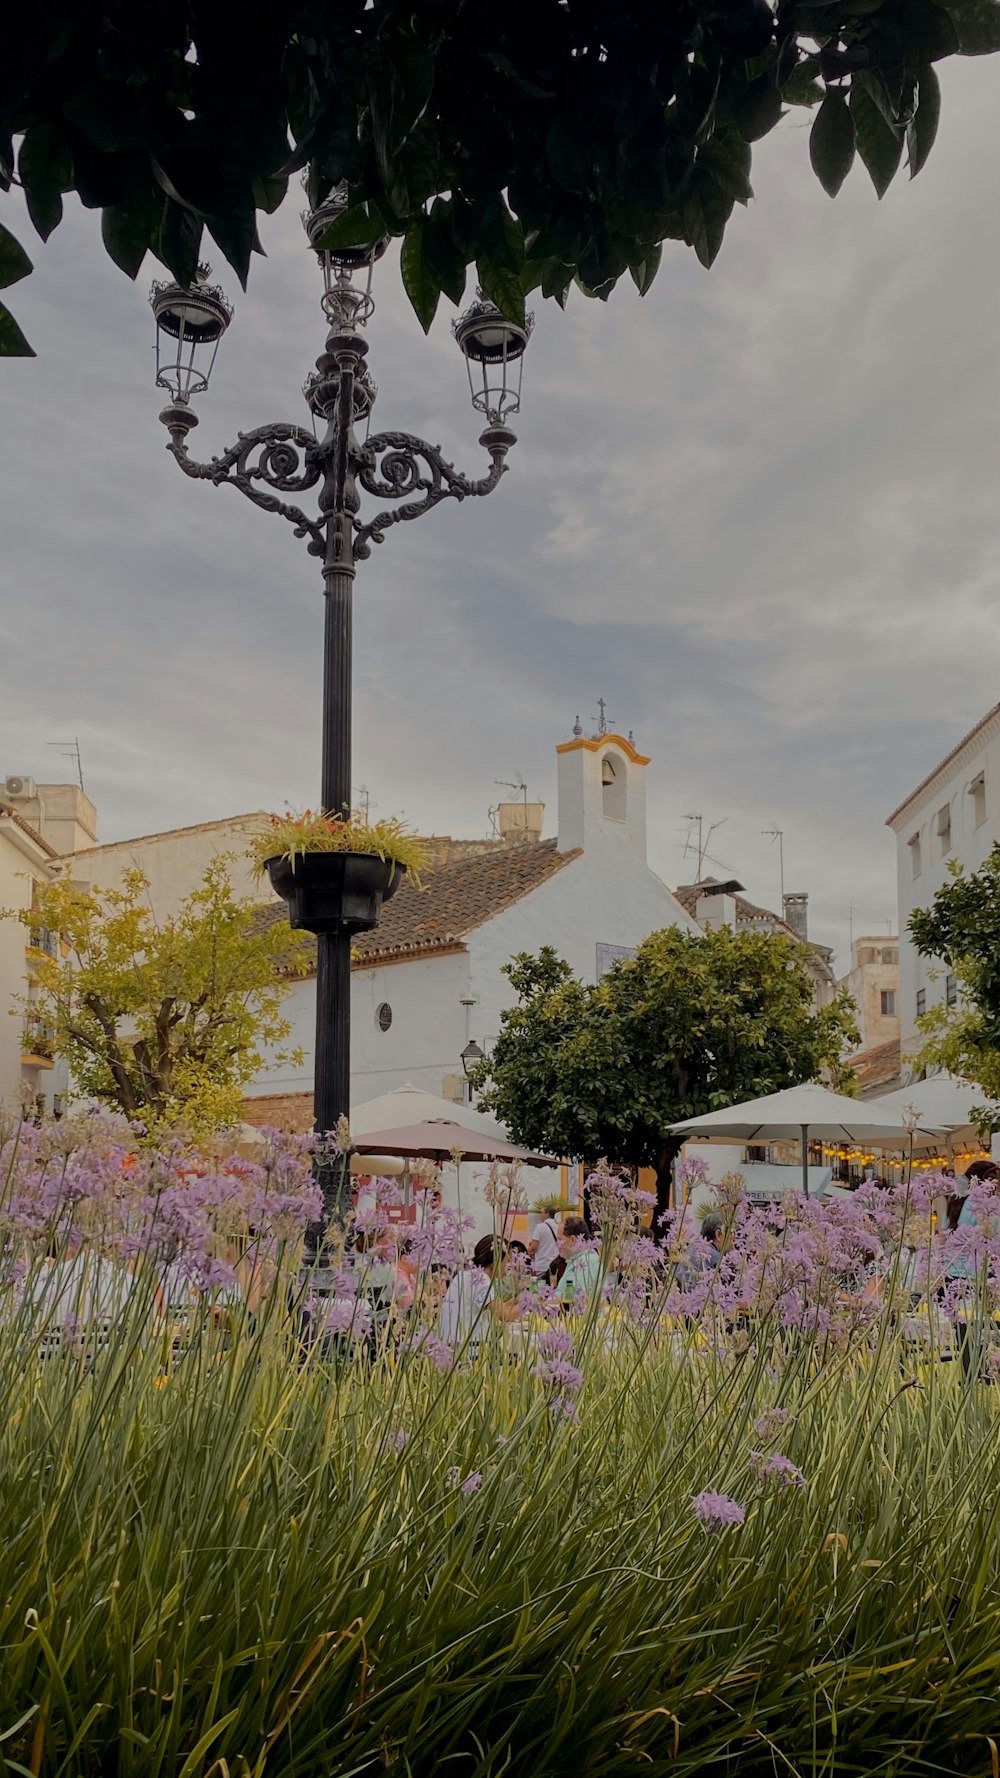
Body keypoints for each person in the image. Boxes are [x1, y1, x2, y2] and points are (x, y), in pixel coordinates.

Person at [438, 1235, 511, 1352]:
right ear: (494, 1262)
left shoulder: (467, 1275)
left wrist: (518, 1299)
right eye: (507, 1261)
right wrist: (530, 1302)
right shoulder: (480, 1280)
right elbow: (505, 1315)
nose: (508, 1266)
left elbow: (500, 1307)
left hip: (451, 1345)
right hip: (467, 1350)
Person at [556, 1216, 601, 1308]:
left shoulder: (586, 1261)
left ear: (573, 1239)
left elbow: (572, 1299)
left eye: (560, 1239)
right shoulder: (579, 1258)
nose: (557, 1244)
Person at [528, 1207, 562, 1283]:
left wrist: (530, 1249)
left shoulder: (540, 1227)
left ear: (547, 1214)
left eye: (541, 1213)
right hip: (554, 1266)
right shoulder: (558, 1227)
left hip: (542, 1266)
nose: (540, 1215)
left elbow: (533, 1248)